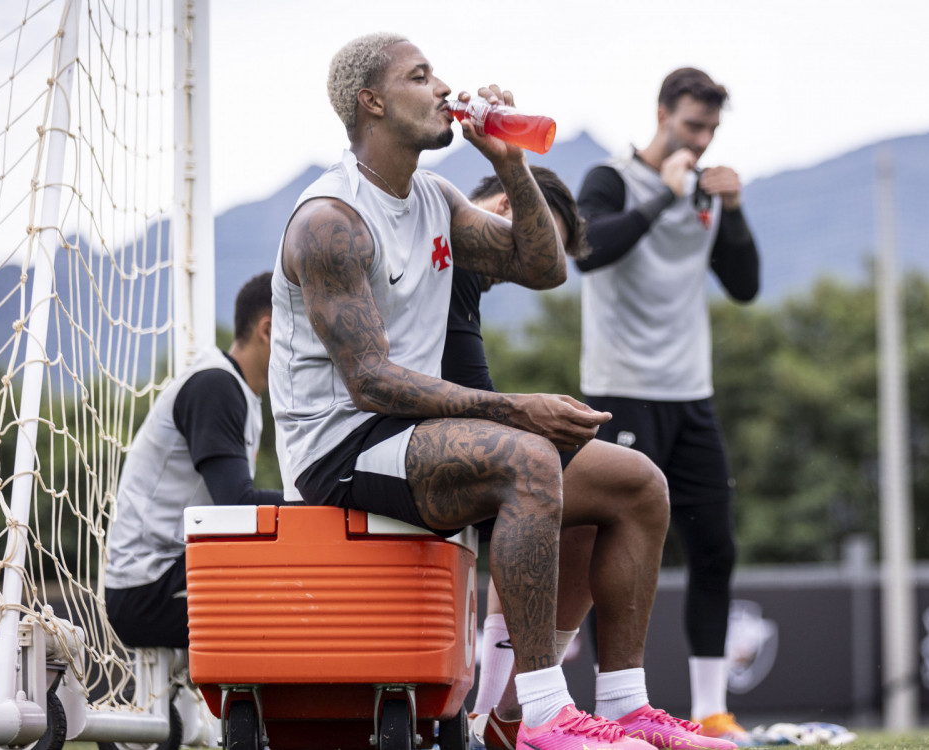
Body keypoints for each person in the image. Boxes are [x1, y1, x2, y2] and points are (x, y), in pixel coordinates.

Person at [269, 33, 733, 750]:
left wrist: (511, 165)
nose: (442, 86)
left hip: (406, 434)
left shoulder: (436, 195)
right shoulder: (331, 220)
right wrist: (521, 412)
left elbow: (543, 267)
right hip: (343, 451)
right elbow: (369, 383)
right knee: (529, 459)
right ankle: (539, 716)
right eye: (420, 76)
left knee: (637, 484)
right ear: (374, 102)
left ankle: (625, 706)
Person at [445, 170, 689, 750]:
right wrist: (526, 414)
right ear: (508, 203)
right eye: (532, 242)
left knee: (591, 494)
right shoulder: (445, 244)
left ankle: (505, 714)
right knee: (629, 483)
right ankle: (559, 708)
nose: (522, 268)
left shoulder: (460, 263)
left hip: (418, 443)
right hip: (394, 454)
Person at [575, 67, 760, 745]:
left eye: (711, 129)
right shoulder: (612, 179)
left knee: (715, 545)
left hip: (692, 395)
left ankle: (713, 710)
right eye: (691, 125)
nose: (702, 139)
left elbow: (744, 286)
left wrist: (732, 211)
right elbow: (588, 251)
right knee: (611, 549)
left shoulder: (708, 195)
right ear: (661, 115)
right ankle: (610, 709)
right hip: (620, 389)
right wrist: (663, 198)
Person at [105, 272, 285, 648]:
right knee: (287, 617)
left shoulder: (241, 393)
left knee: (294, 597)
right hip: (147, 587)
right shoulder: (215, 387)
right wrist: (320, 502)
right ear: (267, 330)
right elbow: (238, 506)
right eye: (302, 333)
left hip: (172, 571)